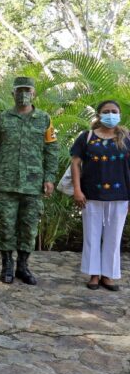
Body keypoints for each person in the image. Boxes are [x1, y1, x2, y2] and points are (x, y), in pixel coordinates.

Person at [0, 76, 58, 285]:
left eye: (27, 90)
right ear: (12, 93)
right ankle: (7, 265)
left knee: (29, 227)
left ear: (34, 93)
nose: (23, 94)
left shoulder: (44, 119)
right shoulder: (1, 119)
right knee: (6, 226)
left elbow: (51, 150)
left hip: (33, 184)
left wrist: (49, 178)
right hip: (6, 183)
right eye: (19, 90)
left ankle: (23, 266)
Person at [70, 100, 129, 291]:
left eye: (114, 111)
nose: (110, 115)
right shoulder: (86, 137)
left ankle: (108, 276)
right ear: (98, 115)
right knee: (91, 235)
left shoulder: (127, 138)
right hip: (91, 194)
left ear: (119, 115)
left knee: (114, 236)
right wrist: (77, 190)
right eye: (106, 111)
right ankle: (94, 274)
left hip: (120, 195)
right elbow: (75, 163)